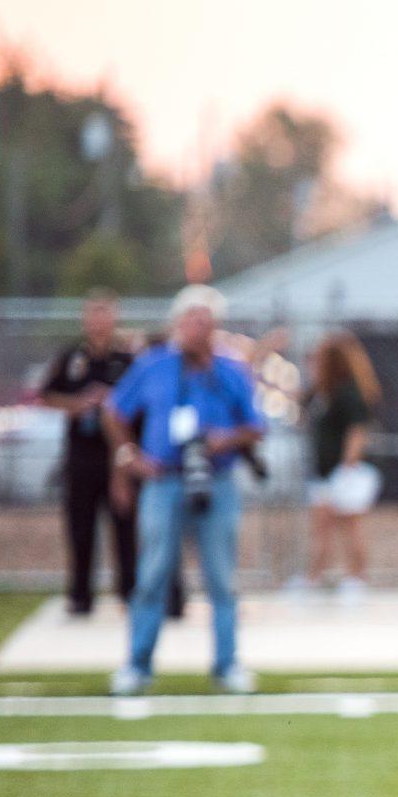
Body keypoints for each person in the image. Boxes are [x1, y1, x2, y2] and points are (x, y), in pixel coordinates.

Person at [105, 284, 266, 695]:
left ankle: (227, 664)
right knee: (153, 573)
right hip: (164, 480)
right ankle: (137, 664)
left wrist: (224, 440)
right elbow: (114, 411)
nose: (199, 329)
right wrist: (130, 457)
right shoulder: (154, 365)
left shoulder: (230, 370)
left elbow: (256, 426)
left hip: (218, 480)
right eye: (191, 320)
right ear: (178, 323)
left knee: (222, 578)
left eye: (206, 321)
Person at [35, 289, 138, 614]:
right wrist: (77, 405)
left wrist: (113, 403)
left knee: (124, 524)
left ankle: (129, 593)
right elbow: (45, 395)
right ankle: (80, 597)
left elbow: (142, 404)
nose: (98, 320)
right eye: (92, 313)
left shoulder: (126, 359)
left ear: (115, 318)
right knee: (81, 526)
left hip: (117, 455)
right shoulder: (71, 358)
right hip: (81, 457)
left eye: (104, 313)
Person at [302, 329, 381, 598]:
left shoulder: (349, 392)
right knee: (321, 528)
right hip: (324, 471)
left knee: (350, 527)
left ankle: (356, 578)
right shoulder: (321, 392)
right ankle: (316, 577)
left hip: (343, 472)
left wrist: (347, 467)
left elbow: (358, 431)